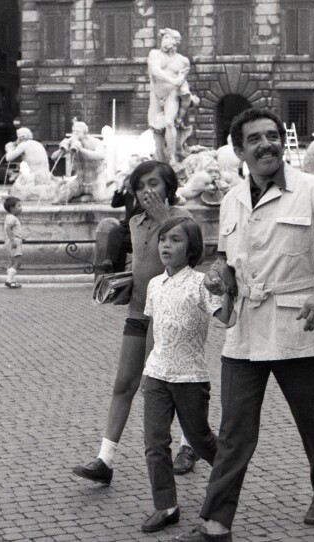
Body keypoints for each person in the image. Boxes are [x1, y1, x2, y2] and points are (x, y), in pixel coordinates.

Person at [176, 108, 314, 542]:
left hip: (298, 321)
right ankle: (216, 524)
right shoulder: (232, 198)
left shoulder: (313, 189)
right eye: (254, 138)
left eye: (272, 135)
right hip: (244, 327)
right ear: (239, 150)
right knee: (235, 430)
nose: (266, 144)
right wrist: (219, 277)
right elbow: (226, 259)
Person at [73, 160, 200, 486]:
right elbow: (142, 263)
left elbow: (194, 260)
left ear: (168, 187)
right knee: (124, 384)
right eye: (142, 185)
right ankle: (105, 459)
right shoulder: (134, 222)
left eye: (154, 184)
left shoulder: (183, 219)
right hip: (137, 312)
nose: (147, 191)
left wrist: (163, 218)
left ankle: (190, 445)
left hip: (169, 316)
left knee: (170, 386)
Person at [139, 216, 233, 534]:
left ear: (191, 247)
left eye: (175, 240)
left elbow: (226, 318)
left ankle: (229, 473)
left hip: (190, 377)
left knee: (200, 439)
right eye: (163, 239)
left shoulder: (200, 283)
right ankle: (166, 506)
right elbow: (153, 329)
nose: (166, 245)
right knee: (155, 441)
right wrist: (145, 369)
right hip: (156, 375)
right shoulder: (154, 284)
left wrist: (228, 289)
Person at [148, 28, 198, 165]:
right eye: (163, 38)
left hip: (172, 94)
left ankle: (172, 158)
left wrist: (185, 91)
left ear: (176, 41)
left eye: (167, 38)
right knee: (157, 129)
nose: (163, 41)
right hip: (157, 94)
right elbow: (156, 71)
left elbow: (182, 80)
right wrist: (173, 80)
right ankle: (159, 159)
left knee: (169, 123)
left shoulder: (183, 61)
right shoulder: (155, 54)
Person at [3, 196, 23, 289]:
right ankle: (9, 281)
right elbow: (8, 228)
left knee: (11, 261)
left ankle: (11, 280)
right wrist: (13, 240)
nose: (21, 208)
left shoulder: (9, 217)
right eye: (18, 206)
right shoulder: (13, 218)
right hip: (13, 241)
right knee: (18, 262)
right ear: (12, 208)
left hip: (10, 240)